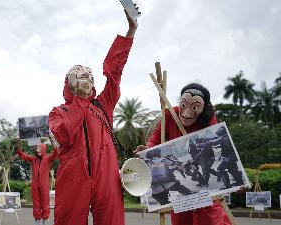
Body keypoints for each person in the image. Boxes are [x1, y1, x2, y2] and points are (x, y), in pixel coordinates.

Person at [48, 9, 138, 225]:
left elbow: (114, 71)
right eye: (78, 73)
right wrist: (79, 100)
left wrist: (130, 31)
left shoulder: (103, 104)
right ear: (68, 83)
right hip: (73, 178)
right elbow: (66, 137)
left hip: (106, 175)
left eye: (88, 73)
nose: (85, 74)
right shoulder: (58, 111)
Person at [135, 83, 232, 225]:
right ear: (180, 102)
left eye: (194, 107)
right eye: (184, 104)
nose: (186, 113)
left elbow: (214, 143)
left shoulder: (208, 117)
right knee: (181, 217)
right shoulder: (170, 114)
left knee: (209, 215)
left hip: (202, 161)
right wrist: (147, 148)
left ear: (203, 108)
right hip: (182, 174)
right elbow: (156, 137)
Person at [16, 143, 58, 225]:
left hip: (44, 186)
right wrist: (20, 143)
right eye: (37, 148)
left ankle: (45, 221)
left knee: (45, 204)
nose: (38, 150)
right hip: (35, 186)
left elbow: (56, 152)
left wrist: (52, 142)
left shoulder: (48, 159)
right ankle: (38, 221)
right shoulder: (33, 159)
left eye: (40, 148)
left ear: (43, 149)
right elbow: (21, 154)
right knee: (36, 205)